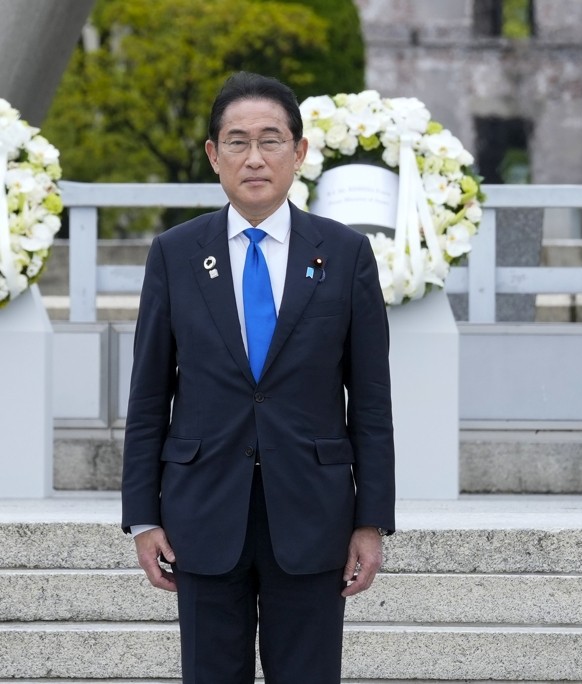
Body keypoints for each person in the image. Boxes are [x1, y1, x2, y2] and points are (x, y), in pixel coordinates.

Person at [120, 72, 395, 684]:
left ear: (299, 153)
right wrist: (143, 517)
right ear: (214, 155)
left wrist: (370, 519)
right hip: (202, 513)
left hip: (313, 514)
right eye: (237, 141)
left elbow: (370, 402)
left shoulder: (345, 254)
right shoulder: (175, 253)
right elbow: (148, 397)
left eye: (271, 140)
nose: (254, 157)